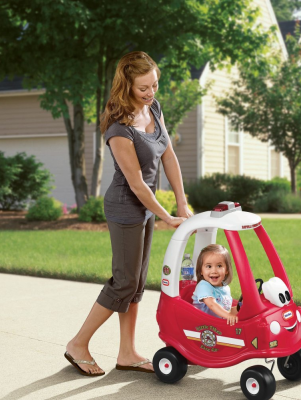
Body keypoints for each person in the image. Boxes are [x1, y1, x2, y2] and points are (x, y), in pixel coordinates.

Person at [65, 51, 193, 376]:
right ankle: (78, 344)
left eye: (155, 85)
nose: (151, 93)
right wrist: (166, 216)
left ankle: (127, 353)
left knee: (136, 285)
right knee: (124, 282)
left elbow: (169, 155)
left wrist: (181, 203)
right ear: (126, 86)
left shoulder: (154, 108)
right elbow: (137, 184)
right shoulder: (119, 126)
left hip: (145, 209)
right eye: (143, 88)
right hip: (126, 207)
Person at [192, 244, 238, 326]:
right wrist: (228, 315)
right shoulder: (203, 286)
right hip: (202, 326)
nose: (214, 271)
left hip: (218, 326)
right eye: (209, 266)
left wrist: (240, 308)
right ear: (201, 271)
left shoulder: (226, 288)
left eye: (219, 266)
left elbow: (225, 309)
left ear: (227, 269)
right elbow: (212, 305)